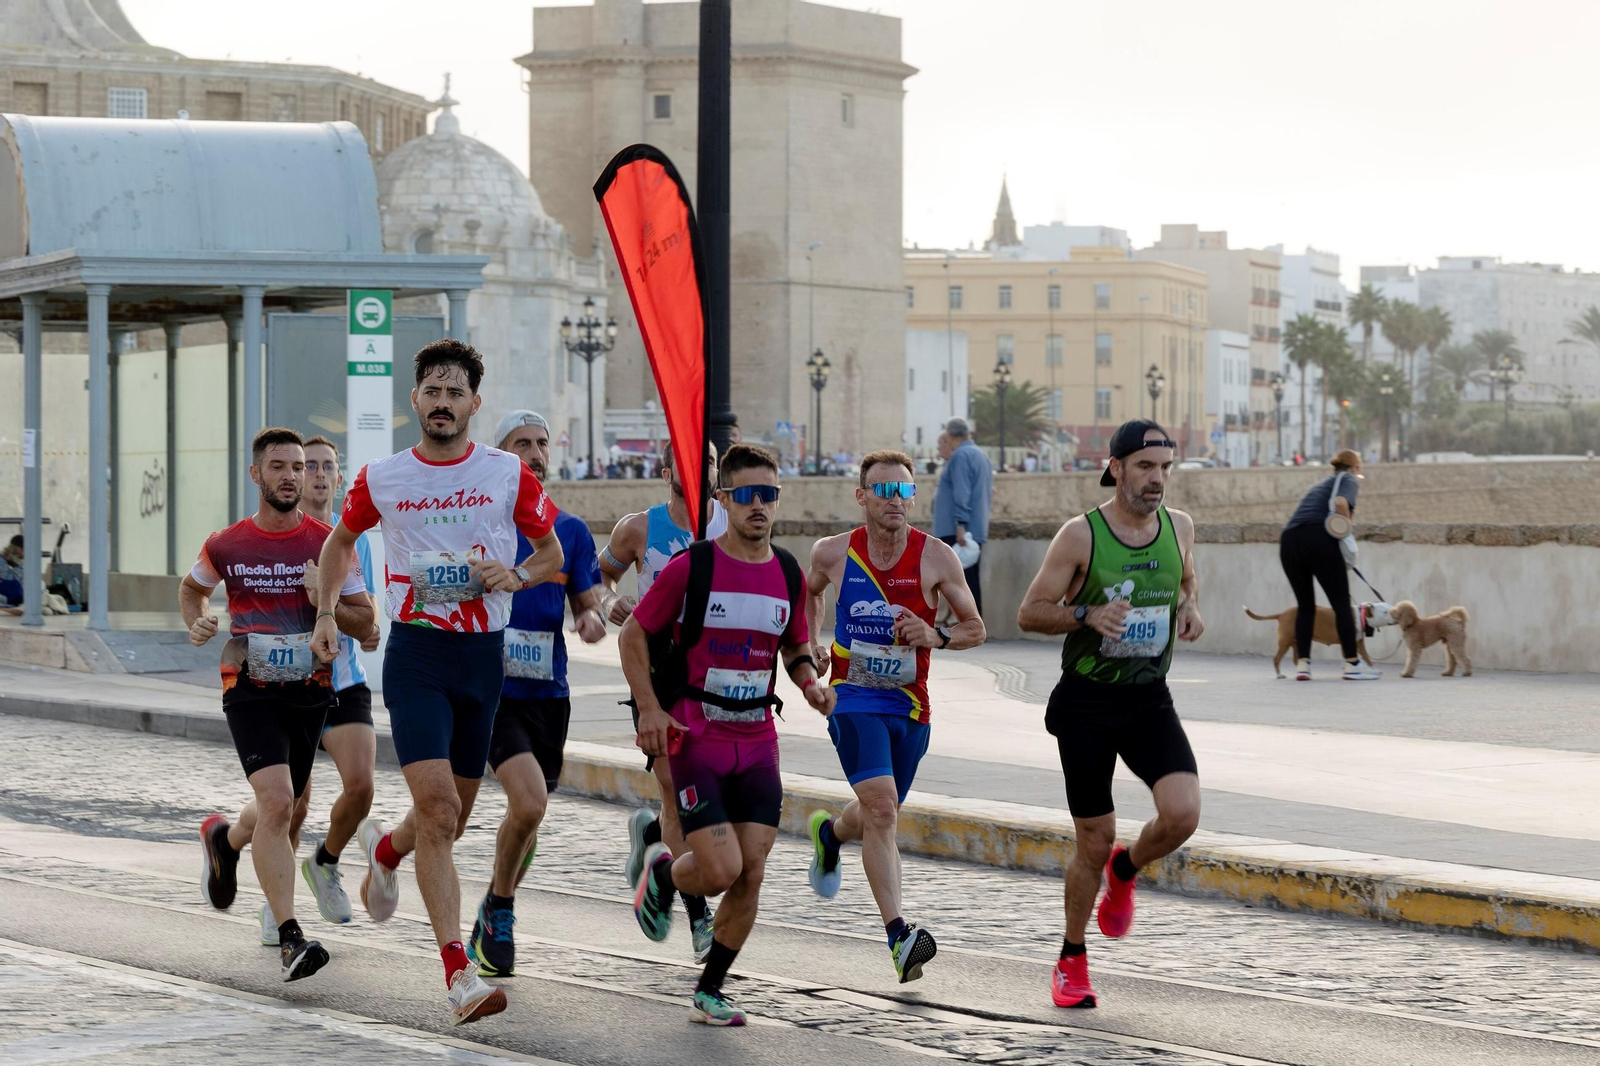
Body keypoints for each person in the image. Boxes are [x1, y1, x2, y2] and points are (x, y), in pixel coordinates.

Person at [311, 339, 565, 1026]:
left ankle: (385, 849)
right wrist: (327, 613)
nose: (443, 403)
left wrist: (517, 574)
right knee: (441, 811)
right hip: (417, 657)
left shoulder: (508, 474)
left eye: (456, 393)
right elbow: (339, 542)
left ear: (474, 404)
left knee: (449, 820)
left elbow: (551, 552)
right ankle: (459, 975)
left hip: (482, 661)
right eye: (433, 392)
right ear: (416, 400)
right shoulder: (383, 476)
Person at [620, 444, 833, 1025]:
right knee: (719, 871)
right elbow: (633, 635)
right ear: (724, 500)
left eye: (769, 494)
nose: (759, 505)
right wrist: (649, 709)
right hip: (699, 736)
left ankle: (710, 990)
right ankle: (664, 873)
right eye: (747, 495)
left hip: (758, 740)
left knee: (752, 870)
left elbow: (794, 645)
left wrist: (809, 683)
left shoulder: (787, 572)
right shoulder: (694, 567)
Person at [1016, 419, 1204, 1010]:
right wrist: (1086, 616)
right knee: (1093, 842)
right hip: (1087, 704)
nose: (1157, 480)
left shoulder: (1179, 526)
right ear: (1116, 467)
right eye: (1145, 467)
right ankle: (1071, 959)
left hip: (1148, 697)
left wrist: (1189, 608)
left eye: (1166, 468)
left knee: (1183, 815)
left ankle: (1127, 869)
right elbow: (1029, 611)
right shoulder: (1081, 536)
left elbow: (1186, 580)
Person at [186, 427, 373, 982]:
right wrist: (197, 619)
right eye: (279, 467)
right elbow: (192, 588)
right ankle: (291, 937)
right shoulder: (227, 544)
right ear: (256, 474)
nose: (292, 476)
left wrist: (326, 602)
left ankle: (224, 841)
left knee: (283, 807)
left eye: (298, 467)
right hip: (249, 686)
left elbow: (367, 623)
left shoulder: (330, 544)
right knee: (277, 801)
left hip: (310, 691)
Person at [801, 450, 985, 982]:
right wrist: (811, 642)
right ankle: (899, 937)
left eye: (904, 490)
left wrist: (935, 635)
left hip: (910, 705)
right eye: (883, 490)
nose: (895, 500)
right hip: (852, 695)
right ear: (861, 497)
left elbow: (975, 627)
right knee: (882, 809)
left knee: (877, 810)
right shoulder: (833, 552)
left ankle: (831, 836)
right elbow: (810, 595)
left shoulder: (937, 558)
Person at [467, 410, 607, 977]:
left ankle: (493, 902)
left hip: (550, 693)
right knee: (528, 804)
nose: (535, 453)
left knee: (528, 819)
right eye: (521, 443)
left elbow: (587, 603)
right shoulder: (479, 521)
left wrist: (593, 619)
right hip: (494, 691)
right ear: (502, 455)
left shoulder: (570, 530)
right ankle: (501, 910)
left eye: (542, 443)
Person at [249, 435, 384, 946]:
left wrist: (331, 606)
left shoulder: (353, 540)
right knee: (291, 805)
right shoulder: (273, 537)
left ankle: (324, 862)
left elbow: (367, 624)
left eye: (330, 466)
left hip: (343, 681)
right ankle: (273, 896)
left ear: (339, 478)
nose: (321, 475)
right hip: (290, 686)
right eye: (312, 467)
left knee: (362, 788)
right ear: (298, 477)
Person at [598, 440, 727, 963]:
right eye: (689, 462)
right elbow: (599, 576)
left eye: (708, 462)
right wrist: (610, 601)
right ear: (667, 469)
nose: (699, 471)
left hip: (719, 670)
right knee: (675, 787)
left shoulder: (734, 523)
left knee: (711, 788)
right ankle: (699, 915)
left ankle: (650, 833)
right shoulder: (638, 529)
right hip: (658, 668)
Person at [1279, 449, 1378, 681]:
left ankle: (1303, 665)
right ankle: (1352, 664)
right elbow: (1341, 502)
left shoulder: (1320, 485)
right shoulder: (1349, 479)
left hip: (1290, 540)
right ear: (1355, 468)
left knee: (1306, 606)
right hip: (1319, 538)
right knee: (1341, 604)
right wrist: (1347, 525)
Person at [932, 418, 992, 616]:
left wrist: (960, 524)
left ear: (950, 436)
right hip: (975, 527)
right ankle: (973, 621)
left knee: (960, 583)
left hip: (958, 530)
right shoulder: (980, 455)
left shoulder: (961, 455)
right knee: (969, 580)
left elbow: (962, 493)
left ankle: (970, 623)